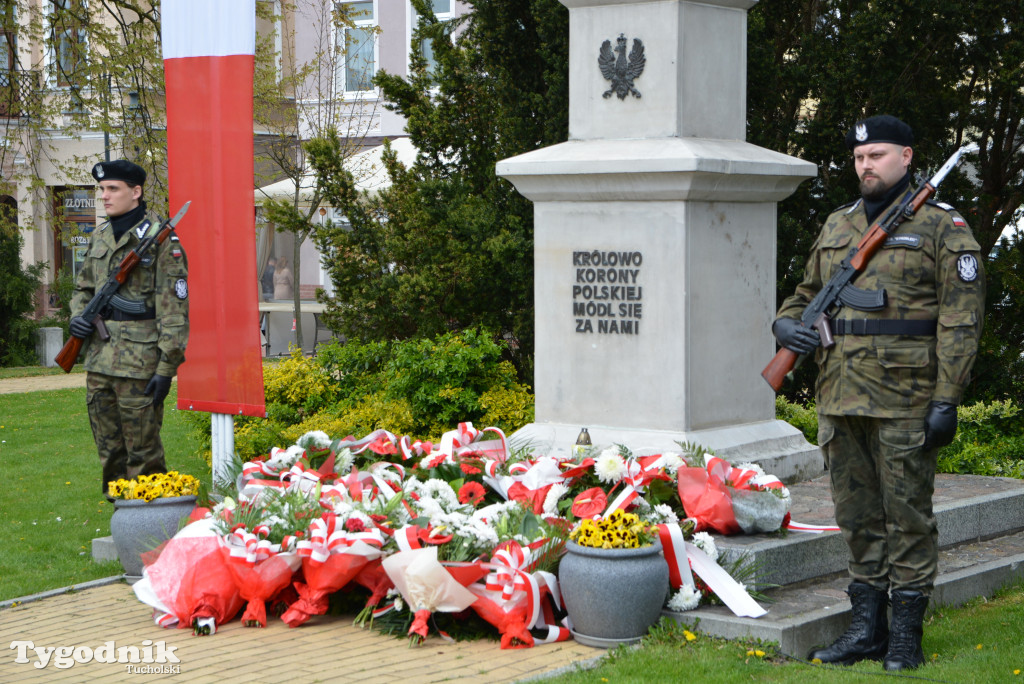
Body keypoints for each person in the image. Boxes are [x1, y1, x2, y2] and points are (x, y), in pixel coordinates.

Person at [772, 115, 985, 671]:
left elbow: (961, 323)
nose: (866, 165)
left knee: (908, 517)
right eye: (860, 158)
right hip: (840, 397)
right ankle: (866, 630)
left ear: (907, 158)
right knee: (857, 518)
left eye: (878, 155)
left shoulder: (943, 227)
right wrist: (785, 326)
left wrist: (947, 398)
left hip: (906, 400)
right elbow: (806, 294)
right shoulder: (838, 223)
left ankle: (905, 638)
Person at [69, 159, 190, 501]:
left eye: (112, 189)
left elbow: (174, 310)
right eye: (102, 190)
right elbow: (83, 289)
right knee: (109, 452)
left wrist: (166, 369)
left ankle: (148, 527)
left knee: (144, 453)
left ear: (135, 193)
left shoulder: (162, 241)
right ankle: (122, 517)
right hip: (99, 361)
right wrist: (78, 316)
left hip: (140, 363)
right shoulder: (100, 236)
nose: (104, 197)